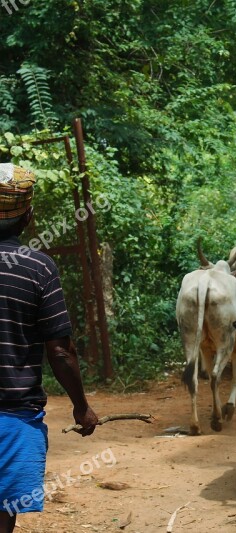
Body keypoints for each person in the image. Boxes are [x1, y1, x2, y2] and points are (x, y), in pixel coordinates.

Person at [0, 164, 98, 533]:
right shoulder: (38, 269)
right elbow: (59, 352)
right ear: (29, 215)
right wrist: (81, 407)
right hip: (12, 417)